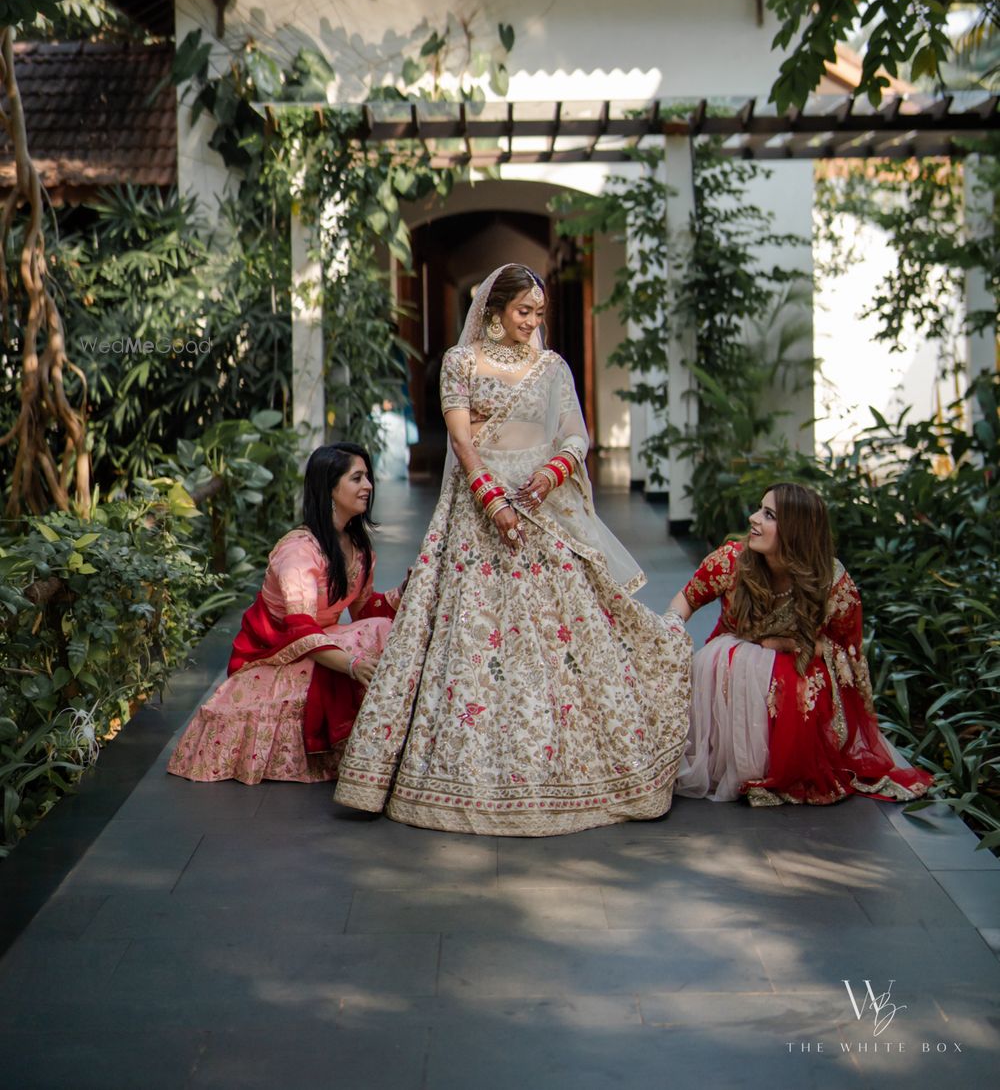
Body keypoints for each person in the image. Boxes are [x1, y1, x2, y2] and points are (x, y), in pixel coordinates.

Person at [334, 263, 692, 836]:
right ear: (495, 308)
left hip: (541, 511)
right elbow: (460, 437)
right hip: (478, 514)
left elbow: (577, 434)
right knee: (470, 634)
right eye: (523, 311)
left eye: (539, 313)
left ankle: (573, 767)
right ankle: (456, 773)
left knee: (560, 636)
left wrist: (553, 472)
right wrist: (490, 498)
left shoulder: (552, 368)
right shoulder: (460, 361)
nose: (532, 322)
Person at [670, 481, 933, 806]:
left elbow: (847, 657)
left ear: (796, 531)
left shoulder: (830, 580)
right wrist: (669, 632)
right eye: (759, 509)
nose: (753, 519)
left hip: (791, 672)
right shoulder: (733, 561)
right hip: (728, 672)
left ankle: (778, 766)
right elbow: (687, 598)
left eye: (769, 515)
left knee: (799, 674)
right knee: (733, 658)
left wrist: (781, 643)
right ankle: (734, 761)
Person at [167, 443, 399, 785]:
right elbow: (301, 630)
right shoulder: (298, 552)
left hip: (319, 645)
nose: (368, 486)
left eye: (368, 478)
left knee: (384, 628)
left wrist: (407, 592)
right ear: (329, 489)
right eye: (357, 478)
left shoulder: (357, 545)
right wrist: (350, 664)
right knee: (374, 634)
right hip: (272, 655)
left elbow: (364, 608)